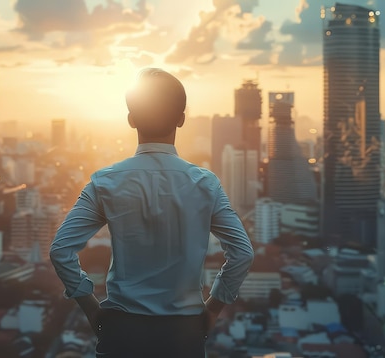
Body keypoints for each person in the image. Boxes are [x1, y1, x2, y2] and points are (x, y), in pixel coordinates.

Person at [50, 68, 254, 358]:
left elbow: (60, 250)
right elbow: (242, 253)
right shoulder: (205, 183)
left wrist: (91, 309)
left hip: (121, 332)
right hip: (184, 334)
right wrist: (213, 307)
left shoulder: (105, 181)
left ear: (131, 119)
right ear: (181, 119)